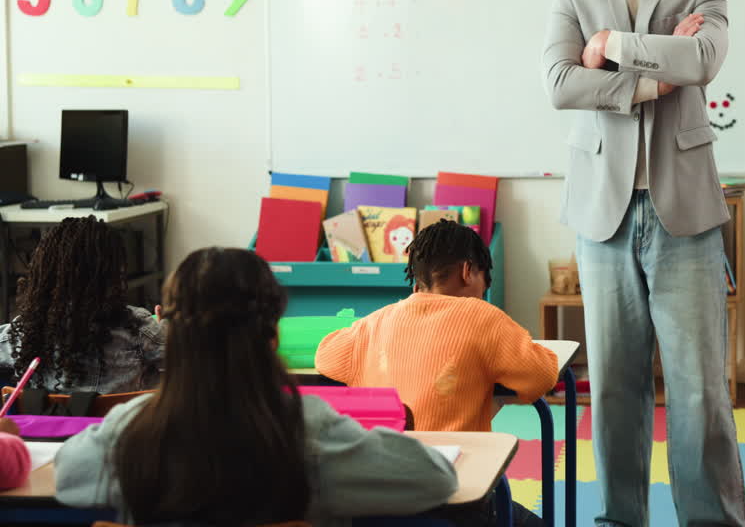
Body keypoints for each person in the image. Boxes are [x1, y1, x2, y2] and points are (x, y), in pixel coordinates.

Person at [541, 0, 745, 527]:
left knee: (699, 391)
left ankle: (711, 521)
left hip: (683, 210)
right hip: (602, 210)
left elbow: (705, 60)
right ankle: (619, 520)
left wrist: (610, 46)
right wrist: (658, 73)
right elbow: (561, 85)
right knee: (616, 389)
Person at [55, 247, 457, 526]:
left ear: (171, 334)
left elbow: (65, 476)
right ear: (272, 337)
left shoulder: (128, 430)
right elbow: (436, 478)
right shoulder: (311, 431)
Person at [317, 218, 556, 527]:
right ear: (468, 271)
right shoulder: (481, 315)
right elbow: (543, 375)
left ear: (417, 280)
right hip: (456, 496)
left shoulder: (375, 322)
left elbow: (325, 356)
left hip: (376, 503)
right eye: (485, 280)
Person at [0, 216, 163, 394]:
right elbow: (186, 357)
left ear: (45, 272)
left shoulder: (23, 332)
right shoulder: (137, 327)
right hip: (119, 421)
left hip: (46, 422)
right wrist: (164, 328)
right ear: (113, 273)